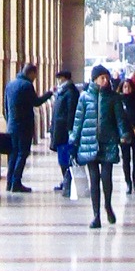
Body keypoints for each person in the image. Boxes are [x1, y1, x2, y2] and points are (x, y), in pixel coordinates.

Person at [69, 63, 127, 227]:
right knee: (94, 179)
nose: (106, 80)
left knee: (106, 177)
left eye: (107, 78)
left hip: (108, 143)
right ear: (95, 79)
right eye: (103, 78)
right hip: (89, 143)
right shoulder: (85, 98)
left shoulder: (114, 98)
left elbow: (120, 119)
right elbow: (78, 121)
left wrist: (124, 134)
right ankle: (96, 215)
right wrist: (73, 140)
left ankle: (108, 205)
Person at [1, 60, 48, 194]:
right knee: (22, 153)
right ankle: (16, 182)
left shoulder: (10, 84)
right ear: (31, 73)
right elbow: (36, 102)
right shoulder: (27, 86)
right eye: (35, 75)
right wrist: (49, 94)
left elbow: (5, 107)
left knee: (13, 154)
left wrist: (10, 121)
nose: (35, 78)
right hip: (24, 126)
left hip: (12, 125)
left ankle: (9, 182)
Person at [49, 67, 79, 195]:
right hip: (60, 129)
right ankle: (66, 180)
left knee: (65, 157)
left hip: (64, 131)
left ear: (64, 79)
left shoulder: (70, 92)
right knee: (63, 157)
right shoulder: (64, 91)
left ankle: (68, 182)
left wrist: (70, 130)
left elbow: (71, 112)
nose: (58, 82)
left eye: (59, 79)